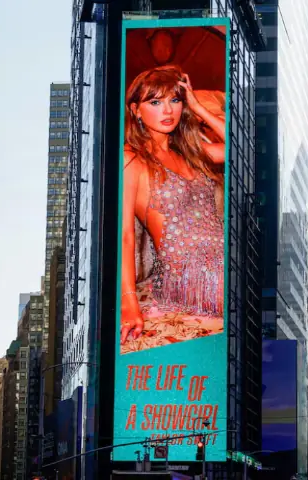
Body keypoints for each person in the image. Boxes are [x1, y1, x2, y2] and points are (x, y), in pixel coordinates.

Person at [120, 65, 226, 344]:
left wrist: (199, 108)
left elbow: (238, 147)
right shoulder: (131, 158)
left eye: (174, 100)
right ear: (135, 110)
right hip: (189, 277)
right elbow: (125, 237)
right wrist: (129, 303)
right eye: (155, 102)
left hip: (224, 264)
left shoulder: (191, 153)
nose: (167, 110)